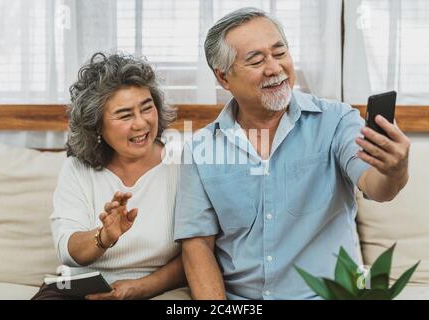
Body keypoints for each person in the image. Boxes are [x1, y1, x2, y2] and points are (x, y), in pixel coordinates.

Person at [174, 7, 410, 299]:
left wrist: (394, 169)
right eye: (256, 60)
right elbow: (197, 247)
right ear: (224, 78)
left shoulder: (336, 120)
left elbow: (377, 186)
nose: (275, 68)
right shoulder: (199, 150)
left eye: (279, 52)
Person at [32, 52, 189, 300]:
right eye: (125, 115)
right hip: (77, 288)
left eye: (147, 108)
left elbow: (201, 251)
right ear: (96, 125)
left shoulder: (183, 163)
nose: (141, 123)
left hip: (155, 289)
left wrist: (143, 287)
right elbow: (69, 250)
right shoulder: (77, 168)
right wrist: (104, 237)